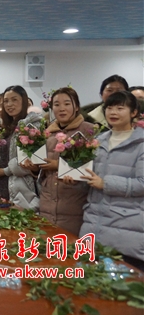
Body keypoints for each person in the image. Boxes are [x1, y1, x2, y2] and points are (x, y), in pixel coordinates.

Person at [80, 91, 144, 270]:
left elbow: (142, 183)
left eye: (120, 108)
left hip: (126, 229)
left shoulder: (141, 144)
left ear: (134, 112)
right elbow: (90, 177)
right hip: (93, 223)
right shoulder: (97, 141)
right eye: (109, 108)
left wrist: (105, 183)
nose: (113, 112)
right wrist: (76, 179)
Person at [38, 88, 94, 235]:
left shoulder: (89, 131)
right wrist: (33, 167)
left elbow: (93, 166)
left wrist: (59, 166)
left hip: (75, 204)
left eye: (67, 104)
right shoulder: (48, 133)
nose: (61, 108)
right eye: (56, 104)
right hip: (47, 202)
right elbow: (41, 171)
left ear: (76, 107)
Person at [0, 85, 41, 210]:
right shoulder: (6, 127)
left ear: (24, 101)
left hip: (23, 189)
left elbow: (31, 160)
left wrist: (5, 171)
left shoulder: (33, 125)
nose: (9, 104)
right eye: (6, 101)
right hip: (3, 185)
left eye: (14, 99)